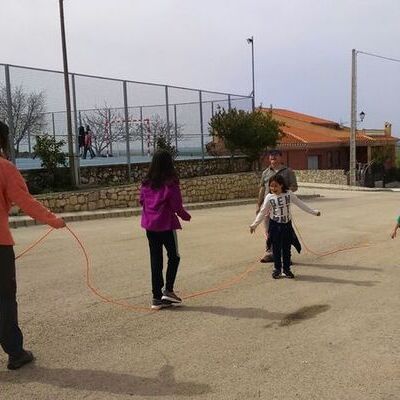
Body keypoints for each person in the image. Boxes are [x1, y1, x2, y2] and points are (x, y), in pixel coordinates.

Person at [0, 121, 65, 370]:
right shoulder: (5, 168)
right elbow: (25, 201)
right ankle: (15, 352)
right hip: (0, 245)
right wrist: (53, 220)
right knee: (5, 298)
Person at [140, 149, 191, 310]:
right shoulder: (171, 183)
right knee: (174, 256)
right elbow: (177, 206)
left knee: (156, 260)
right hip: (166, 226)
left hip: (150, 226)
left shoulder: (146, 183)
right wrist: (186, 216)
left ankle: (156, 297)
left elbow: (142, 201)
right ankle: (168, 290)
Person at [250, 175, 320, 279]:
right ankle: (277, 270)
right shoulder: (269, 197)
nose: (273, 189)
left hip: (286, 226)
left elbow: (300, 204)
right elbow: (263, 211)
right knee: (276, 249)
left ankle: (287, 270)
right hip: (275, 226)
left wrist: (313, 212)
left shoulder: (289, 194)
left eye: (275, 186)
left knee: (286, 249)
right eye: (271, 186)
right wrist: (254, 224)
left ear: (281, 185)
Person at [257, 149, 298, 263]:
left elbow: (294, 187)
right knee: (269, 231)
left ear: (281, 157)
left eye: (275, 156)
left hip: (281, 208)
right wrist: (258, 205)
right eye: (271, 156)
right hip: (268, 207)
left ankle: (284, 256)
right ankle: (270, 253)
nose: (272, 158)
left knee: (283, 232)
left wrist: (283, 191)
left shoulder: (288, 172)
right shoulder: (266, 173)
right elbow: (262, 188)